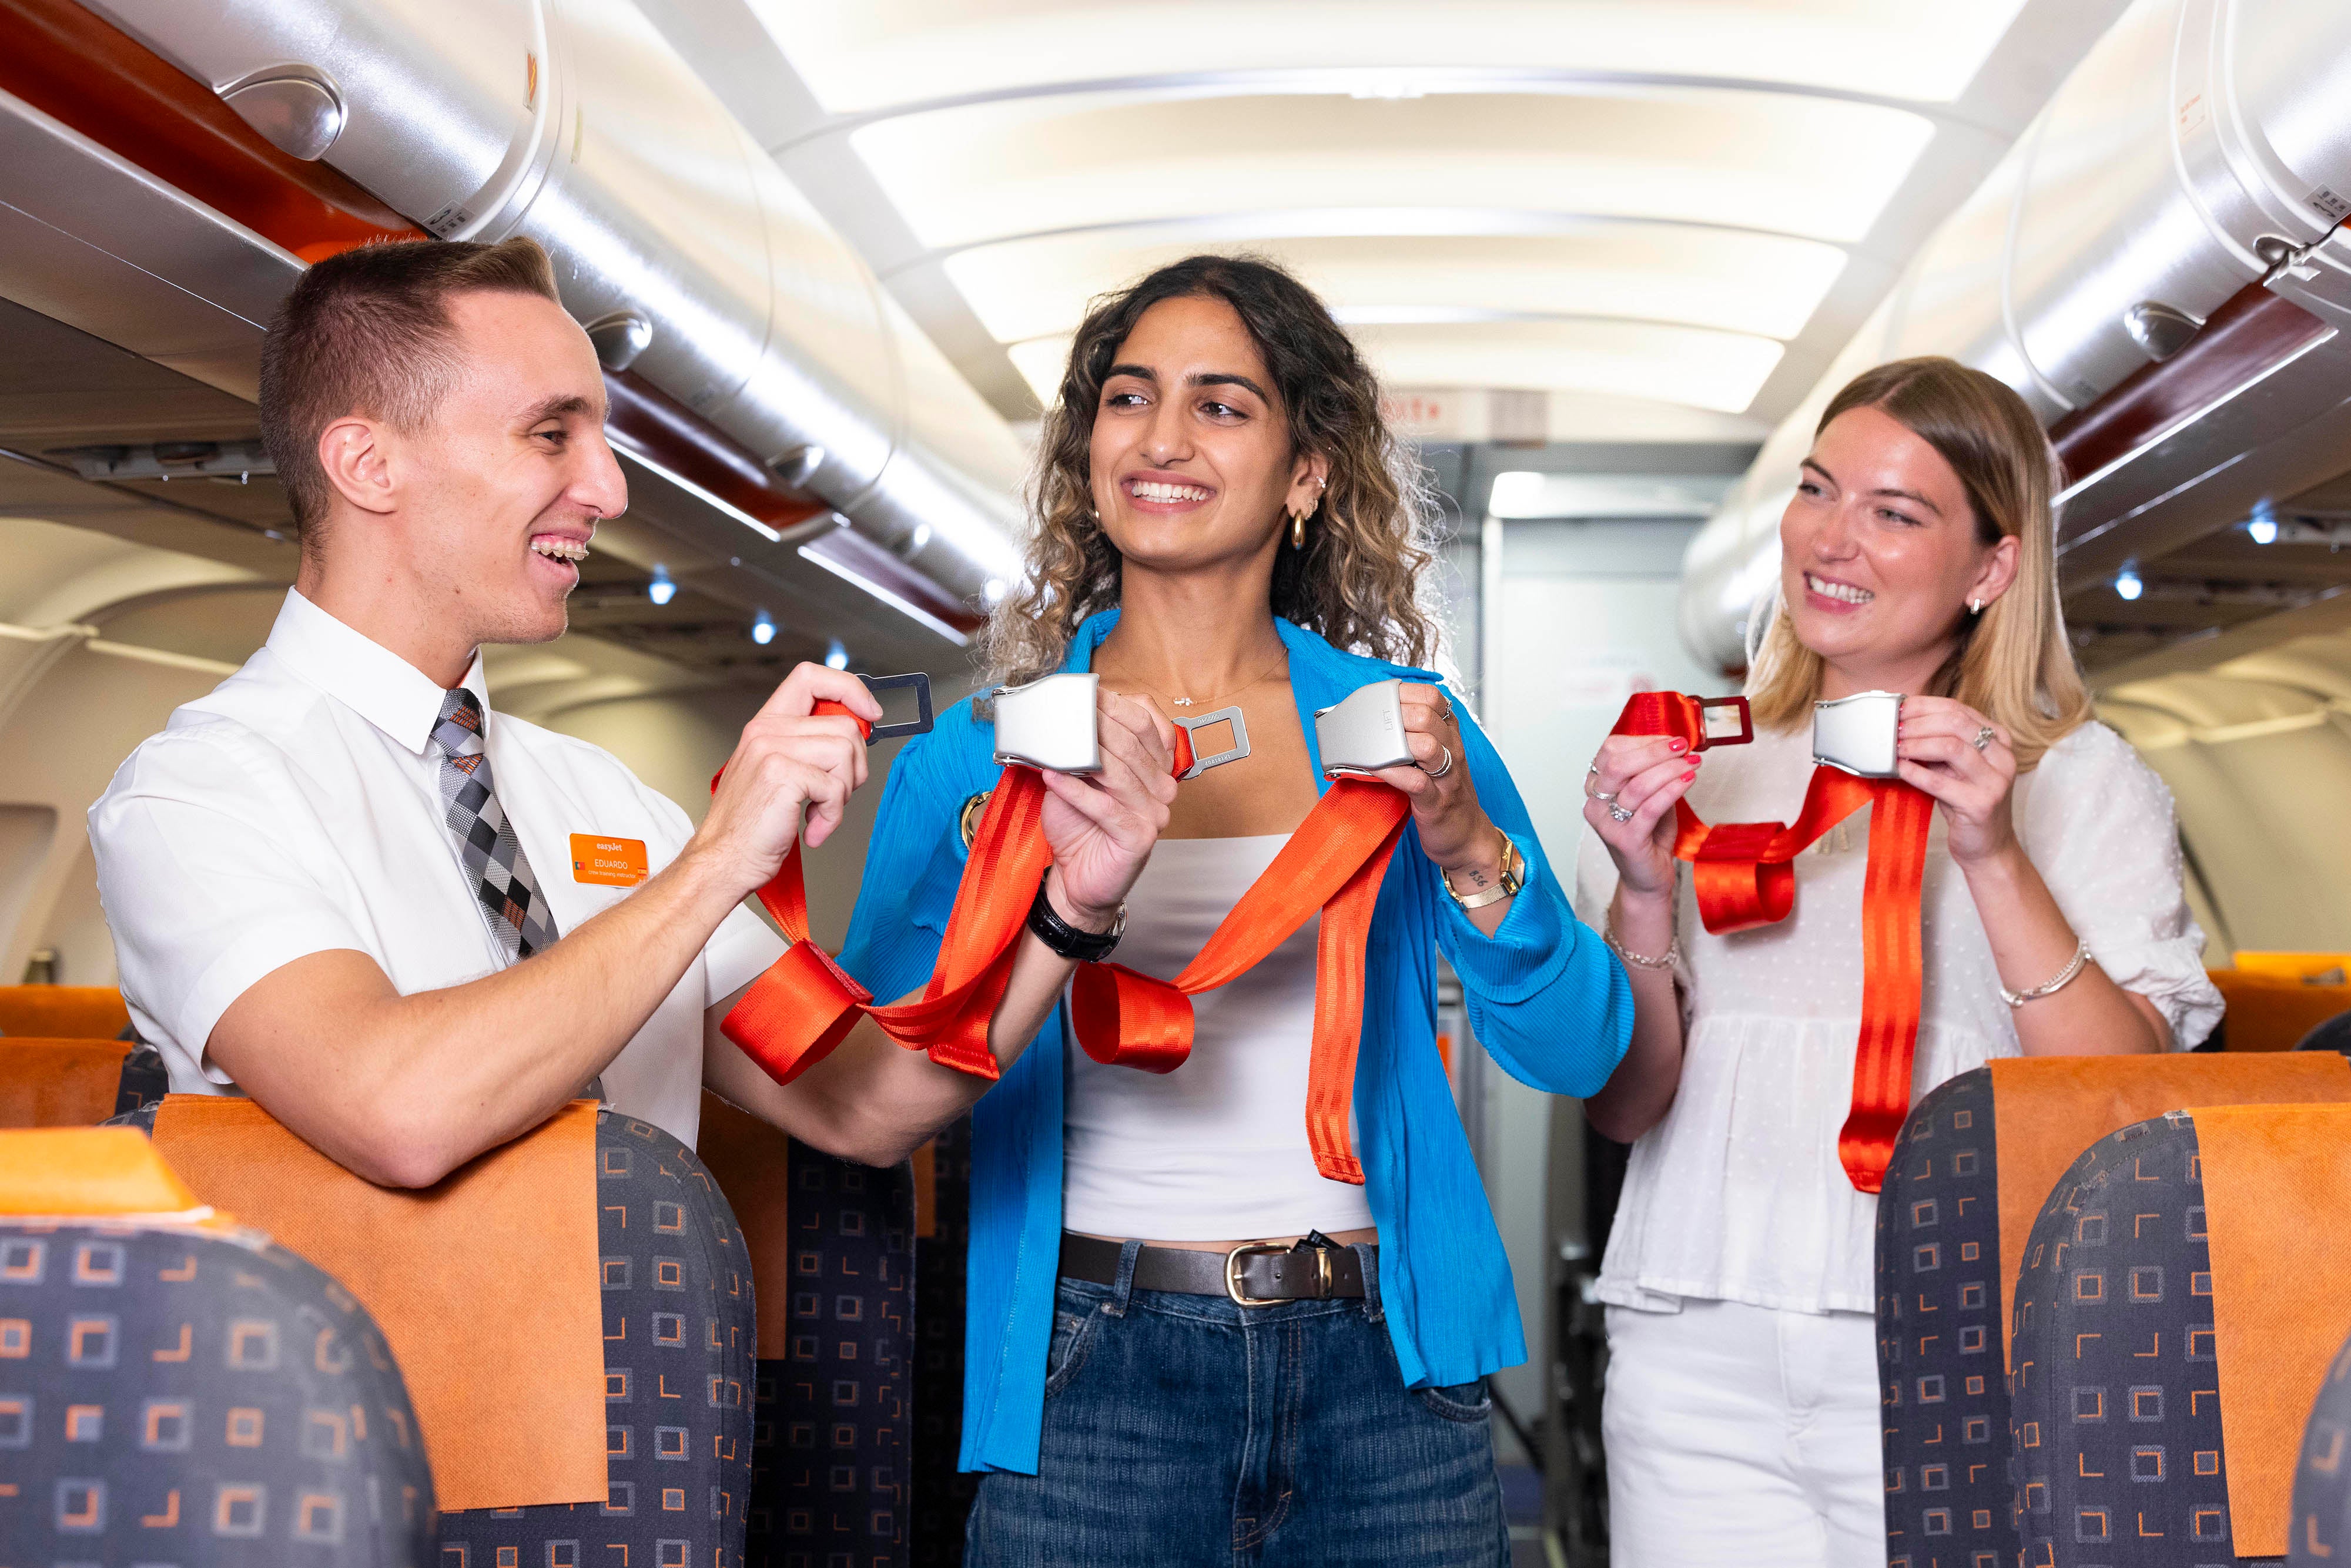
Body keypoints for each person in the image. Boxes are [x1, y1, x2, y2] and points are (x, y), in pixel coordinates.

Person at [835, 254, 1632, 1566]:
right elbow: (872, 1089)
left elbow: (1579, 1049)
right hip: (1091, 1377)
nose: (1161, 438)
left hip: (1387, 1371)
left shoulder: (1405, 731)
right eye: (1129, 398)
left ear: (1306, 472)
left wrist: (1467, 844)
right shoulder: (973, 761)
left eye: (1219, 405)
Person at [89, 236, 1101, 1185]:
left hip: (644, 1328)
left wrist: (1067, 913)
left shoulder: (607, 800)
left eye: (602, 440)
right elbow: (398, 1110)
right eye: (551, 435)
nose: (610, 490)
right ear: (367, 465)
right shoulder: (197, 796)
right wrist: (713, 867)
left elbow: (859, 1102)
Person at [1574, 357, 2224, 1566]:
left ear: (1990, 568)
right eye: (1817, 489)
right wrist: (1643, 893)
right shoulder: (1699, 765)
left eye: (1895, 512)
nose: (1832, 538)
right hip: (1691, 1346)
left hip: (1967, 1344)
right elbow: (1623, 1108)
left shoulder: (2083, 784)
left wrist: (1991, 854)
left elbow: (2122, 1105)